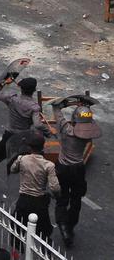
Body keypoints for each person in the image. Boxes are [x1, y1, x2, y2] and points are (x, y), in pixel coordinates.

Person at [0, 76, 44, 189]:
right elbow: (37, 125)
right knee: (33, 159)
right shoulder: (34, 107)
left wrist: (4, 83)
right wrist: (48, 131)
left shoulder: (12, 99)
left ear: (21, 89)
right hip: (24, 139)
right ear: (33, 90)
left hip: (9, 136)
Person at [55, 105, 100, 246]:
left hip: (62, 168)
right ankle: (70, 226)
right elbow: (90, 126)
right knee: (76, 199)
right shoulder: (87, 135)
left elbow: (57, 112)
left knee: (62, 199)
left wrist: (60, 105)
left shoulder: (66, 128)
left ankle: (62, 226)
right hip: (78, 170)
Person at [10, 132, 59, 243]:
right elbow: (55, 188)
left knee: (17, 230)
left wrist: (20, 158)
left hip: (23, 201)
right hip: (39, 203)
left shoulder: (22, 159)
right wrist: (55, 195)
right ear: (43, 146)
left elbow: (13, 170)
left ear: (30, 147)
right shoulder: (48, 165)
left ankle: (17, 252)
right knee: (44, 232)